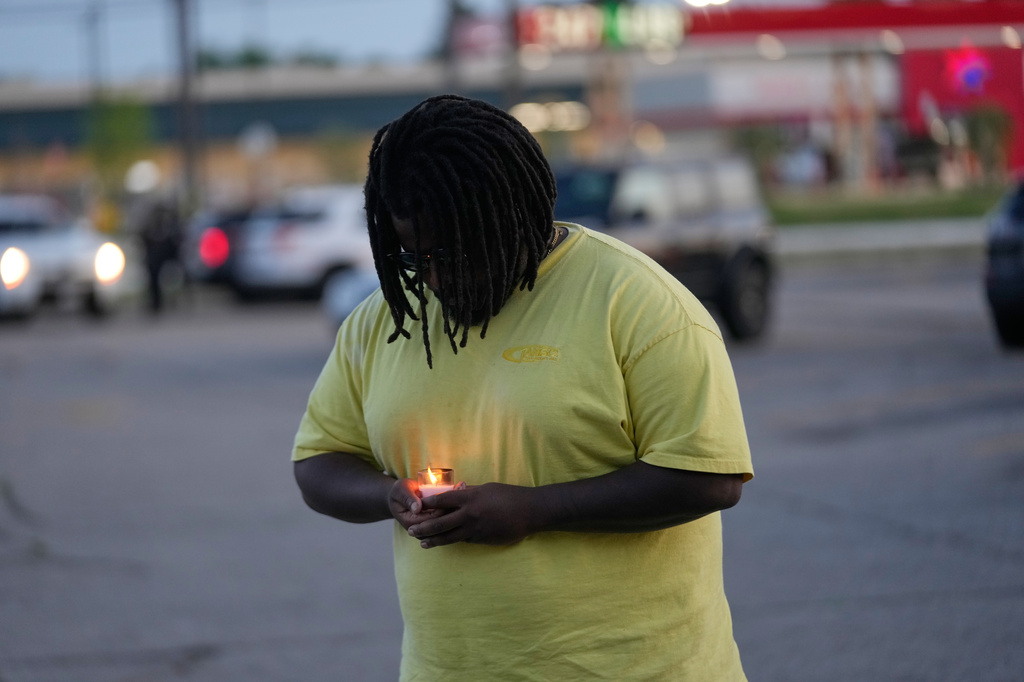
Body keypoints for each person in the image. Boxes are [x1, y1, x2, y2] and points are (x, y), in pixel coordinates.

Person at [292, 94, 754, 681]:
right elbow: (318, 462)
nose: (435, 277)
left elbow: (710, 477)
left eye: (457, 251)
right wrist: (392, 496)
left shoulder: (636, 303)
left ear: (518, 215)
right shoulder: (383, 321)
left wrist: (535, 509)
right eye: (415, 258)